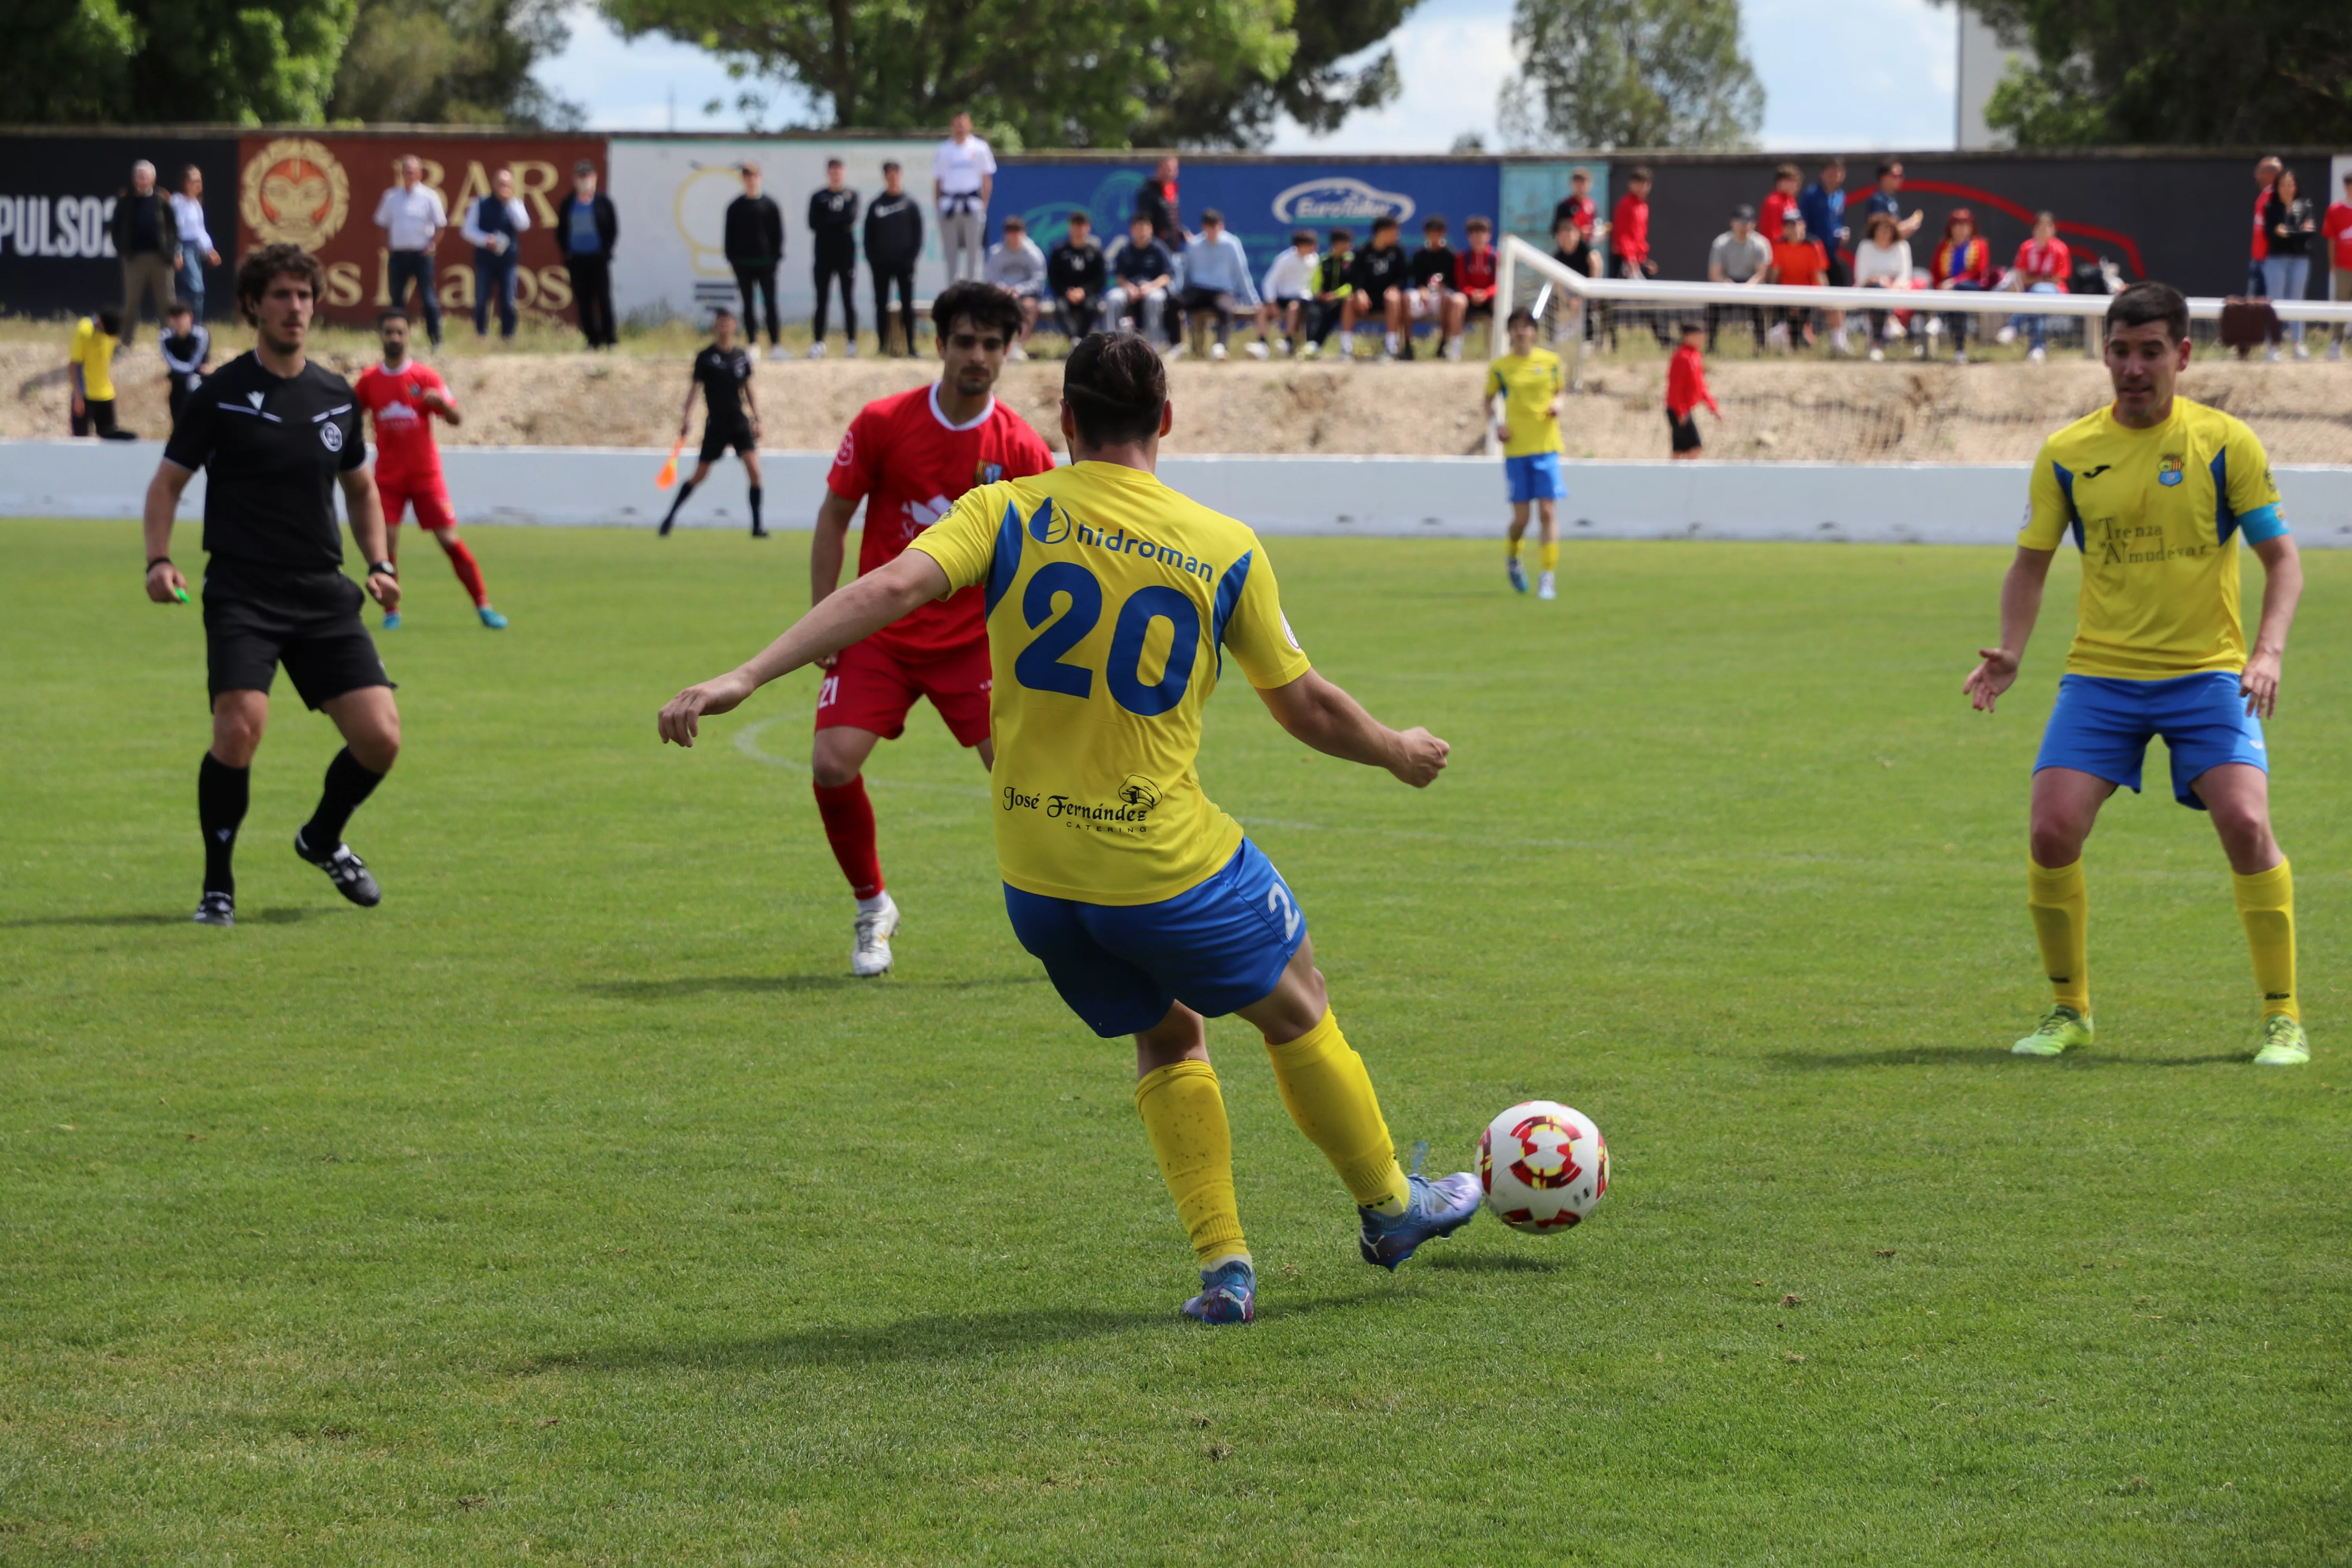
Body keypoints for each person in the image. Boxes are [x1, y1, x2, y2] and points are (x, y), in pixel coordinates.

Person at [656, 330, 1479, 1325]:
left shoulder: (1006, 510)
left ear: (1065, 419)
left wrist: (747, 673)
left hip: (1039, 879)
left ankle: (1225, 1268)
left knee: (1166, 1032)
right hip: (1162, 861)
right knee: (1299, 1000)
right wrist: (1396, 749)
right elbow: (1303, 705)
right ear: (1166, 418)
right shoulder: (1222, 544)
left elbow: (888, 587)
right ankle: (1391, 1206)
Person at [1963, 280, 2308, 1068]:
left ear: (2182, 355)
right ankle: (2069, 1008)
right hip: (2102, 678)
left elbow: (2283, 562)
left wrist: (2267, 651)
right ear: (2105, 354)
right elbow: (2030, 565)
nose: (2133, 368)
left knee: (2247, 823)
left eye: (2151, 351)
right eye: (2120, 351)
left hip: (2209, 675)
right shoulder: (2068, 453)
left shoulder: (2225, 443)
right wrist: (2012, 649)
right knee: (2051, 829)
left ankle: (2283, 1017)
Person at [786, 281, 1049, 975]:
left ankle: (1076, 917)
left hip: (974, 645)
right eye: (965, 341)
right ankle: (873, 907)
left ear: (1009, 351)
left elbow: (1049, 555)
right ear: (939, 345)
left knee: (1028, 786)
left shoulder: (1022, 449)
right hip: (881, 633)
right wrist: (825, 619)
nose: (978, 356)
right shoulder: (882, 423)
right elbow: (834, 517)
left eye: (992, 344)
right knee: (831, 763)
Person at [143, 243, 403, 929]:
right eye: (282, 295)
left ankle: (321, 838)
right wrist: (158, 560)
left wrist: (380, 564)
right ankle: (217, 889)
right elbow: (167, 485)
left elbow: (362, 489)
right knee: (239, 727)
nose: (296, 307)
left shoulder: (336, 397)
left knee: (381, 738)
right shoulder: (219, 393)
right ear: (253, 305)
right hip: (243, 592)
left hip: (322, 593)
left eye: (305, 295)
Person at [353, 309, 506, 630]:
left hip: (426, 477)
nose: (395, 338)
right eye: (389, 332)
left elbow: (457, 419)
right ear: (381, 336)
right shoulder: (369, 380)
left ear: (409, 336)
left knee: (449, 540)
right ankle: (391, 612)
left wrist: (443, 405)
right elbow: (351, 416)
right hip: (389, 478)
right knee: (386, 544)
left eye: (400, 332)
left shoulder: (425, 377)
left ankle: (484, 606)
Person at [658, 307, 766, 538]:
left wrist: (757, 419)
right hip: (716, 424)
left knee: (755, 473)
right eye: (721, 323)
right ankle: (669, 519)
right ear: (715, 327)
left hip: (739, 422)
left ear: (734, 326)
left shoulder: (741, 357)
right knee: (700, 475)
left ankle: (757, 527)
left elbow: (749, 389)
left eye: (728, 322)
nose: (725, 327)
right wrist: (686, 419)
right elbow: (694, 390)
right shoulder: (706, 357)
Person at [1486, 307, 1566, 600]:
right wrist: (1498, 425)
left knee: (1548, 512)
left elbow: (1560, 392)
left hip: (1546, 447)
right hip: (1517, 450)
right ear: (1509, 333)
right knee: (1522, 519)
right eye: (1515, 327)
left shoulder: (1550, 362)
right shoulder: (1501, 367)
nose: (1521, 331)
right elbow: (1488, 400)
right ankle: (1513, 557)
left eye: (1525, 326)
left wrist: (1559, 405)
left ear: (1534, 331)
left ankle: (1548, 577)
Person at [374, 156, 447, 349]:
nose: (410, 175)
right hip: (399, 254)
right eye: (407, 172)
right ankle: (395, 340)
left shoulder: (430, 197)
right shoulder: (391, 197)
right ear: (402, 174)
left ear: (420, 174)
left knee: (428, 298)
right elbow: (382, 223)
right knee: (397, 300)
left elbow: (441, 225)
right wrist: (387, 246)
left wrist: (433, 245)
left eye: (413, 172)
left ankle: (436, 339)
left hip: (421, 255)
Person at [1172, 209, 1259, 361]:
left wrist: (1254, 301)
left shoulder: (1232, 244)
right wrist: (1182, 293)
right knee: (1174, 303)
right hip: (1198, 290)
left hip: (1222, 291)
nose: (1213, 231)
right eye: (1209, 227)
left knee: (1226, 309)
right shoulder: (1194, 245)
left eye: (1216, 227)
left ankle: (1220, 348)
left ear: (1222, 227)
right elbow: (1188, 273)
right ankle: (1176, 345)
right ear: (1203, 228)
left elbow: (1242, 274)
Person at [112, 160, 178, 347]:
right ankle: (126, 341)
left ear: (153, 179)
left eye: (146, 176)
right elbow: (115, 229)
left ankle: (171, 342)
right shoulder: (125, 202)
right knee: (131, 303)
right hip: (135, 260)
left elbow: (173, 229)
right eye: (139, 176)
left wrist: (172, 251)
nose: (142, 180)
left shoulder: (162, 202)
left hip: (161, 259)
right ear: (134, 179)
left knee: (167, 302)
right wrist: (123, 251)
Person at [724, 162, 786, 360]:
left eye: (754, 176)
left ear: (760, 178)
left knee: (770, 304)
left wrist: (775, 258)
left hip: (766, 263)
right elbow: (729, 237)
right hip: (743, 264)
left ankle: (775, 345)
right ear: (743, 180)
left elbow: (778, 235)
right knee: (748, 305)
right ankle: (753, 344)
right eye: (747, 177)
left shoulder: (770, 205)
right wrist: (733, 259)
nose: (751, 180)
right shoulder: (735, 207)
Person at [462, 167, 530, 342]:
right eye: (501, 184)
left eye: (507, 184)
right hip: (485, 260)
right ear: (493, 184)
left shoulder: (516, 204)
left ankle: (508, 336)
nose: (504, 187)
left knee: (509, 300)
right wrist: (486, 240)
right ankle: (481, 334)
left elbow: (524, 225)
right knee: (482, 299)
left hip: (508, 261)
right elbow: (468, 230)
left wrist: (511, 204)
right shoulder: (480, 204)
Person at [555, 162, 619, 351]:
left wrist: (606, 251)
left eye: (588, 176)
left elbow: (613, 229)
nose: (585, 180)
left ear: (595, 178)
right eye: (581, 177)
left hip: (598, 259)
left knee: (604, 299)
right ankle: (592, 340)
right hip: (577, 260)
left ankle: (610, 340)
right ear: (575, 180)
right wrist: (567, 252)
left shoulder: (603, 202)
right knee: (584, 301)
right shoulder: (568, 203)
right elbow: (561, 230)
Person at [865, 162, 924, 358]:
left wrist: (911, 259)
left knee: (907, 305)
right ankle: (882, 347)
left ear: (901, 176)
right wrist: (873, 261)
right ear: (885, 178)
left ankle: (911, 347)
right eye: (889, 176)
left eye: (896, 175)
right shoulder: (876, 205)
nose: (893, 179)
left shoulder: (910, 204)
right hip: (881, 265)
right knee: (881, 305)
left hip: (905, 265)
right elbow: (868, 236)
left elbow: (918, 234)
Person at [1798, 158, 1855, 355]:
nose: (1834, 177)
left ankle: (1838, 340)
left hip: (1832, 255)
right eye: (1830, 173)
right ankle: (1788, 335)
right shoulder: (1811, 195)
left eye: (1838, 173)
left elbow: (1836, 223)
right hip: (1813, 257)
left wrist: (1841, 235)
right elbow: (1802, 226)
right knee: (1810, 299)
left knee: (1839, 295)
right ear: (1823, 174)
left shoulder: (1841, 196)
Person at [1997, 211, 2071, 362]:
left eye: (2048, 228)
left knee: (2039, 292)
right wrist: (2042, 280)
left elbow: (2057, 279)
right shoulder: (2026, 248)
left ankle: (2014, 326)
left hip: (2055, 292)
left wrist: (2036, 281)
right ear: (2034, 230)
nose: (2044, 232)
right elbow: (2022, 277)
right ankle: (2037, 348)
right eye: (2040, 228)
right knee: (2038, 306)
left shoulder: (2060, 249)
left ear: (2053, 230)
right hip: (2031, 293)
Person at [2260, 169, 2317, 360]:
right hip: (2276, 259)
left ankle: (2298, 343)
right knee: (2275, 301)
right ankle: (2274, 345)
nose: (2287, 188)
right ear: (2277, 187)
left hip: (2300, 259)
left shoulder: (2306, 206)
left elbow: (2310, 233)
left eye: (2291, 184)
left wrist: (2289, 233)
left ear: (2296, 186)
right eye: (2284, 184)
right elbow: (2270, 234)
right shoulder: (2271, 207)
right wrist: (2295, 232)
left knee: (2297, 300)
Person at [807, 158, 860, 359]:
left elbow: (850, 218)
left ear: (844, 173)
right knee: (822, 300)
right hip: (823, 256)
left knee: (848, 300)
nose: (836, 175)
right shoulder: (818, 197)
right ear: (828, 173)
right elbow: (813, 223)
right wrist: (837, 223)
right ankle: (819, 342)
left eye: (839, 171)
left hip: (846, 255)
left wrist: (828, 221)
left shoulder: (852, 195)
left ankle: (852, 342)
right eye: (833, 171)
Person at [935, 112, 996, 284]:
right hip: (949, 204)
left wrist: (984, 205)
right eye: (957, 124)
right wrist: (939, 206)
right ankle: (952, 292)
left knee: (974, 254)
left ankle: (973, 292)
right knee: (951, 254)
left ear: (970, 125)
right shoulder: (944, 150)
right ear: (952, 126)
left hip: (973, 204)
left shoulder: (980, 148)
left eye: (963, 124)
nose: (960, 127)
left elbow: (987, 179)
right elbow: (939, 181)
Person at [1339, 215, 1410, 361]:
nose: (1397, 235)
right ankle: (1346, 349)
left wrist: (1394, 288)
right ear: (1382, 232)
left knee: (1393, 299)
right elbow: (1354, 278)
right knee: (1349, 301)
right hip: (1367, 300)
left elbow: (1403, 278)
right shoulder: (1362, 251)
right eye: (1394, 232)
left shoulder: (1398, 251)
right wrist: (1359, 292)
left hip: (1388, 300)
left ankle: (1391, 349)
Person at [1704, 204, 1772, 355]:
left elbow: (1761, 274)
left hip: (1752, 285)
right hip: (1727, 284)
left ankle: (1761, 348)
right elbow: (1715, 275)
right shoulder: (1721, 243)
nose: (1744, 227)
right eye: (1740, 222)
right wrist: (1728, 286)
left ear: (1753, 224)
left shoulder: (1761, 244)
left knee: (1760, 308)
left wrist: (1748, 288)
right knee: (1712, 307)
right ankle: (1711, 347)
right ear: (1732, 223)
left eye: (1748, 223)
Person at [1929, 207, 1994, 362]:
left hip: (1973, 288)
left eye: (1965, 225)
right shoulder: (1944, 247)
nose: (1961, 229)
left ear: (1971, 227)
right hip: (1949, 293)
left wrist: (1954, 283)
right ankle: (1959, 350)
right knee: (1957, 305)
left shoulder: (1980, 245)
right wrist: (1942, 286)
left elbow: (1979, 272)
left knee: (1958, 291)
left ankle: (1940, 318)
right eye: (1957, 225)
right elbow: (1935, 272)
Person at [1104, 212, 1176, 344]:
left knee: (1155, 299)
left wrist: (1150, 287)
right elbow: (1119, 277)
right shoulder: (1125, 249)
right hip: (1129, 289)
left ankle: (1154, 346)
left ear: (1151, 230)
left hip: (1153, 288)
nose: (1141, 232)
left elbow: (1167, 276)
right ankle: (1110, 344)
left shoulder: (1159, 248)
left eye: (1144, 228)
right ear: (1132, 230)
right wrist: (1130, 288)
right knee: (1113, 298)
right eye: (1138, 228)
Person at [982, 215, 1048, 358]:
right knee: (991, 307)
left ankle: (1018, 346)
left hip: (1026, 294)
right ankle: (998, 345)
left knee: (1030, 306)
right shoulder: (996, 253)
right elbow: (991, 279)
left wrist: (1019, 290)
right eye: (1011, 233)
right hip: (1001, 294)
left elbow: (1038, 281)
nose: (1014, 237)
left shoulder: (1033, 253)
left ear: (1023, 234)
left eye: (1017, 233)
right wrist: (1004, 289)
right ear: (1005, 235)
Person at [1853, 210, 1914, 361]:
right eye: (1881, 230)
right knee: (1878, 292)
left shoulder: (1902, 246)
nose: (1884, 234)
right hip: (1870, 291)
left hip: (1897, 292)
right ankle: (1890, 322)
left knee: (1881, 298)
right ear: (1874, 231)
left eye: (1888, 230)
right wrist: (1880, 281)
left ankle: (1877, 345)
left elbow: (1905, 276)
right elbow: (1862, 279)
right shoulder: (1866, 247)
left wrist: (1893, 286)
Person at [1407, 216, 1469, 361]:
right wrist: (1422, 290)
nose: (1435, 236)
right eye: (1431, 232)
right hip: (1424, 296)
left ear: (1444, 234)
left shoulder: (1451, 255)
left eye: (1438, 232)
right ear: (1426, 234)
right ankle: (1407, 346)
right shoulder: (1419, 254)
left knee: (1448, 298)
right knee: (1405, 299)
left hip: (1444, 297)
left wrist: (1442, 288)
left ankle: (1443, 344)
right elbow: (1418, 280)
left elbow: (1454, 283)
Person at [69, 308, 136, 440]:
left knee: (110, 441)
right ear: (100, 322)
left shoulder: (111, 332)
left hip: (106, 395)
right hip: (85, 395)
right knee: (81, 440)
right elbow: (74, 365)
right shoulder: (85, 331)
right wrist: (78, 395)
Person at [1251, 229, 1318, 358]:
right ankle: (1262, 344)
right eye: (1310, 245)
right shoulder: (1285, 259)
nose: (1314, 248)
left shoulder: (1315, 259)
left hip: (1302, 299)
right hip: (1281, 298)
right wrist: (1272, 303)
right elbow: (1269, 282)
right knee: (1262, 310)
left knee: (1294, 307)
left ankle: (1288, 342)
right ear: (1300, 246)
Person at [1767, 210, 1827, 349]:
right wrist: (1770, 296)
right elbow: (1775, 274)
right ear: (1783, 229)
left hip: (1809, 294)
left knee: (1800, 317)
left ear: (1803, 226)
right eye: (1789, 226)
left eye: (1796, 225)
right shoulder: (1779, 245)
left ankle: (1801, 337)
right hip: (1785, 295)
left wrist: (1826, 297)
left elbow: (1819, 274)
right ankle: (1790, 337)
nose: (1793, 230)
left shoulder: (1813, 245)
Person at [1047, 211, 1106, 345]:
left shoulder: (1096, 252)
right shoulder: (1059, 251)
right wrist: (1066, 291)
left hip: (1088, 295)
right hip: (1066, 295)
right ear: (1070, 228)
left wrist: (1084, 291)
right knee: (1061, 308)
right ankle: (1074, 339)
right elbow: (1053, 277)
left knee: (1092, 307)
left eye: (1082, 226)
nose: (1079, 231)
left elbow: (1100, 279)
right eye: (1075, 226)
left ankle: (1082, 339)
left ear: (1088, 228)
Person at [171, 165, 220, 324]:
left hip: (196, 249)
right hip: (184, 248)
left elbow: (200, 230)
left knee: (193, 290)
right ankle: (186, 320)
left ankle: (186, 323)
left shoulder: (196, 203)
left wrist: (210, 249)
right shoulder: (177, 201)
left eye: (200, 180)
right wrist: (177, 252)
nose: (199, 184)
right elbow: (175, 229)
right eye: (195, 181)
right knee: (197, 288)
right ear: (186, 183)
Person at [1665, 320, 1718, 458]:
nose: (1703, 339)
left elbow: (1700, 385)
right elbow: (1675, 386)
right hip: (1678, 409)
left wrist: (1713, 407)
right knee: (1695, 447)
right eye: (1700, 335)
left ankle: (1675, 472)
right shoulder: (1682, 357)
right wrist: (1681, 411)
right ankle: (1688, 472)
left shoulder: (1695, 356)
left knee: (1679, 450)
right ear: (1688, 336)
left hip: (1683, 409)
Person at [1301, 227, 1354, 358]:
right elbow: (1315, 281)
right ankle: (1311, 344)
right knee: (1314, 311)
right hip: (1324, 299)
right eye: (1346, 243)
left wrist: (1336, 295)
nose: (1350, 246)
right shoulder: (1324, 260)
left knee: (1332, 312)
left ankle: (1324, 346)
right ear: (1337, 244)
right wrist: (1319, 293)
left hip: (1343, 301)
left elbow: (1353, 284)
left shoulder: (1352, 261)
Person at [159, 298, 210, 426]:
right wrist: (188, 371)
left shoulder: (202, 335)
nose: (179, 323)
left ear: (190, 318)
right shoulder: (165, 337)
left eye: (182, 318)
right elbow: (172, 362)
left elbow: (198, 360)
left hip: (199, 380)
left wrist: (191, 371)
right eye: (175, 319)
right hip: (179, 382)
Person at [2324, 170, 2352, 361]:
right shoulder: (2335, 210)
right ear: (2345, 188)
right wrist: (2332, 263)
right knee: (2341, 305)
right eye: (2349, 187)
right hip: (2343, 266)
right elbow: (2331, 239)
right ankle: (2336, 343)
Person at [1861, 160, 1925, 243]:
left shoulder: (1891, 198)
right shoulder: (1878, 200)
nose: (1900, 179)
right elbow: (1882, 234)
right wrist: (1907, 226)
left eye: (1901, 176)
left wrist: (1909, 225)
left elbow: (1894, 230)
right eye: (1896, 176)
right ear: (1884, 177)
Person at [1458, 217, 1499, 333]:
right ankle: (1456, 342)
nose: (1478, 238)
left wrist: (1486, 294)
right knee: (1457, 302)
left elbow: (1499, 284)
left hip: (1490, 300)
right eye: (1474, 235)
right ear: (1469, 237)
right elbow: (1462, 284)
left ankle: (1499, 340)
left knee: (1500, 302)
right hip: (1470, 300)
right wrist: (1473, 293)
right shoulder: (1462, 258)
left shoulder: (1496, 257)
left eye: (1482, 234)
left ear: (1489, 236)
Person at [2248, 155, 2281, 298]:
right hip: (2259, 259)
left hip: (2269, 261)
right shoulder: (2264, 196)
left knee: (2263, 304)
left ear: (2269, 175)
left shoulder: (2276, 197)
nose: (2256, 175)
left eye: (2260, 171)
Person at [1137, 156, 1183, 253]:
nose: (1170, 173)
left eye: (1174, 170)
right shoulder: (1148, 192)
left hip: (1172, 248)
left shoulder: (1171, 190)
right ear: (1158, 170)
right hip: (1155, 249)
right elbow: (1145, 222)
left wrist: (1182, 233)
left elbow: (1171, 222)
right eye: (1167, 169)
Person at [1551, 167, 1602, 250]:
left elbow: (1594, 228)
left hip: (1587, 248)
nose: (1580, 188)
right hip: (1570, 251)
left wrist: (1598, 233)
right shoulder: (1565, 206)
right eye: (1577, 184)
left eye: (1583, 183)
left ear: (1590, 185)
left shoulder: (1592, 205)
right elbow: (1555, 231)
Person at [1759, 163, 1801, 248]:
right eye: (1793, 181)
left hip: (1791, 248)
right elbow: (1773, 233)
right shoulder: (1773, 202)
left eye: (1797, 182)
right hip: (1776, 249)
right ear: (1781, 182)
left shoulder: (1791, 201)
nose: (1797, 186)